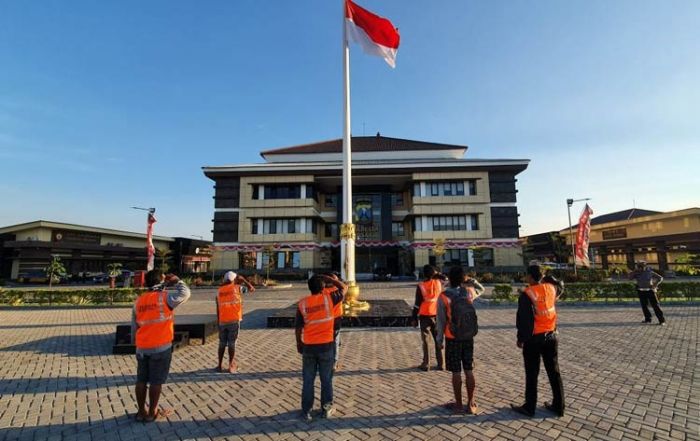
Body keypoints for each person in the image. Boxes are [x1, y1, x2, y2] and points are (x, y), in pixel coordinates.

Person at [131, 269, 191, 423]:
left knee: (141, 380)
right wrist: (177, 280)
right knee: (156, 381)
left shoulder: (139, 301)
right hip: (160, 347)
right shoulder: (165, 298)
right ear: (161, 282)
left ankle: (140, 412)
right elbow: (186, 293)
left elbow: (134, 328)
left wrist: (136, 345)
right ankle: (152, 412)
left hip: (142, 348)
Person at [511, 264, 565, 418]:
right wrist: (551, 279)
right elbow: (561, 287)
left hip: (534, 339)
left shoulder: (527, 294)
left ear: (530, 277)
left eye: (526, 275)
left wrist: (521, 339)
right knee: (554, 372)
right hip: (552, 335)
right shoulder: (551, 288)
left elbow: (523, 321)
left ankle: (530, 407)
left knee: (532, 373)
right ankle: (559, 406)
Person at [295, 274, 347, 421]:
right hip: (326, 346)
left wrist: (299, 343)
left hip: (309, 347)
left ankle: (306, 410)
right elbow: (344, 287)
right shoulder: (329, 299)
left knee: (308, 380)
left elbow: (298, 327)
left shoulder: (303, 303)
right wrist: (331, 279)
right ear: (323, 287)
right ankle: (327, 407)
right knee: (326, 379)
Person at [436, 266, 482, 415]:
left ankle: (458, 404)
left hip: (452, 337)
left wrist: (439, 340)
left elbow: (441, 321)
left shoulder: (444, 296)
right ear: (463, 278)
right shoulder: (469, 292)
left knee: (456, 371)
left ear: (449, 278)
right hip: (468, 337)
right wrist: (471, 281)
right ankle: (471, 403)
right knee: (469, 369)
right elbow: (481, 289)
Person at [216, 271, 256, 373]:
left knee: (222, 343)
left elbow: (218, 308)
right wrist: (244, 281)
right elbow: (251, 289)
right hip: (233, 320)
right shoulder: (238, 288)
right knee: (232, 343)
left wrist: (218, 321)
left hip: (222, 320)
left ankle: (219, 365)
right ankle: (231, 365)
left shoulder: (219, 290)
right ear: (234, 279)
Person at [411, 265, 447, 371]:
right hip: (437, 315)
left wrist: (414, 318)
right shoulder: (439, 283)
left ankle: (426, 364)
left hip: (424, 316)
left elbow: (417, 304)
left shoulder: (421, 286)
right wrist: (437, 274)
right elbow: (445, 278)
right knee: (438, 339)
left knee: (425, 341)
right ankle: (441, 364)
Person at [322, 272, 344, 372]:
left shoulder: (321, 292)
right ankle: (334, 362)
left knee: (330, 340)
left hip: (325, 320)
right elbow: (344, 286)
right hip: (336, 319)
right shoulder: (338, 291)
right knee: (335, 340)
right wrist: (335, 280)